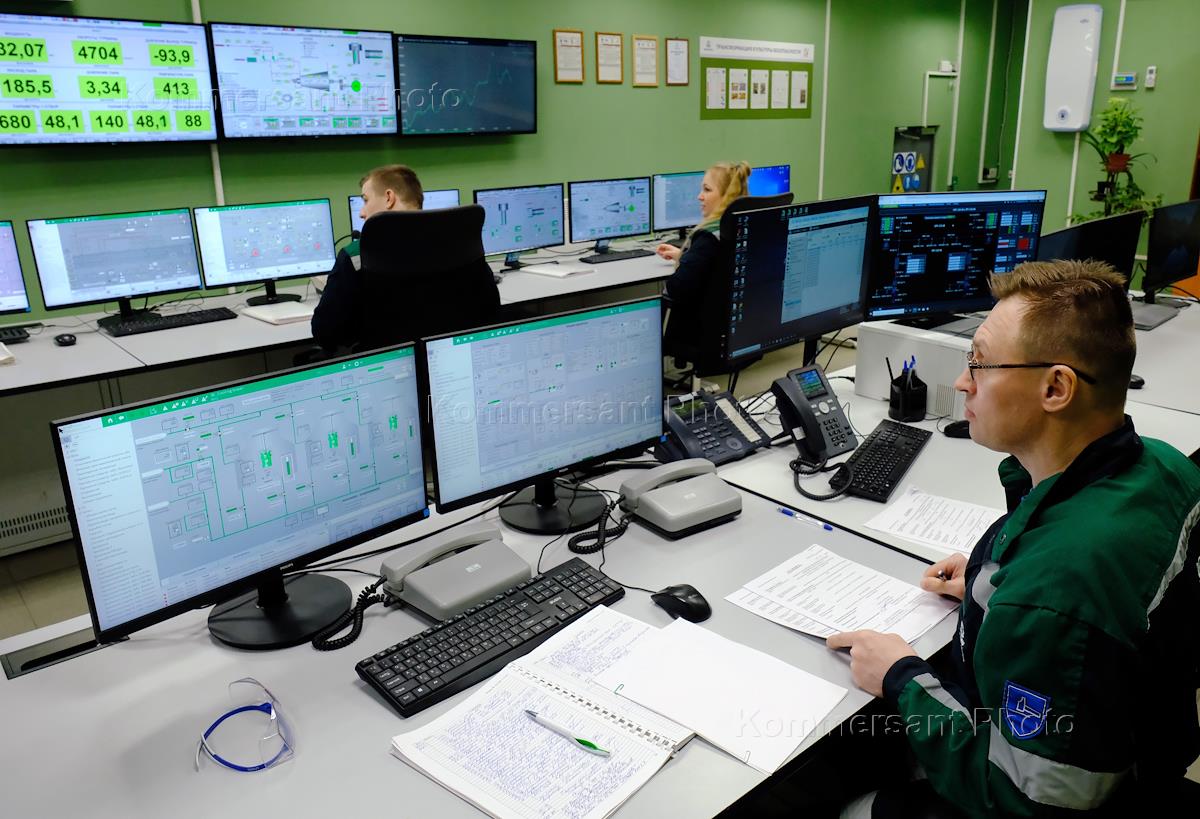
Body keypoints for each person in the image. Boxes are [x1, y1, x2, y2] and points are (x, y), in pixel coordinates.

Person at [827, 260, 1200, 817]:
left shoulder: (1060, 583)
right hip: (1144, 752)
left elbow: (1025, 800)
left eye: (980, 363)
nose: (962, 382)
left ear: (1056, 388)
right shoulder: (1164, 467)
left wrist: (901, 677)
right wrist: (996, 584)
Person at [311, 164, 424, 352]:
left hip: (384, 363)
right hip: (451, 357)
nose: (362, 212)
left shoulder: (357, 254)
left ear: (389, 198)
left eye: (366, 200)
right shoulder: (454, 241)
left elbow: (325, 332)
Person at [657, 161, 750, 331]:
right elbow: (717, 265)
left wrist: (689, 260)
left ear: (726, 196)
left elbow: (676, 288)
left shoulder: (708, 237)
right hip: (735, 328)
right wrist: (685, 256)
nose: (699, 196)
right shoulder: (741, 229)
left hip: (702, 332)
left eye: (707, 190)